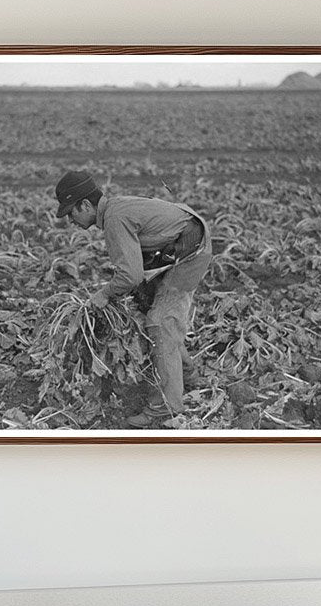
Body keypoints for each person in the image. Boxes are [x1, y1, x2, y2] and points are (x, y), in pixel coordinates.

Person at [54, 169, 212, 427]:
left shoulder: (115, 219)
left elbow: (130, 276)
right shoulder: (115, 209)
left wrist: (104, 295)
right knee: (150, 307)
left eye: (71, 212)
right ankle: (187, 373)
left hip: (190, 252)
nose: (70, 219)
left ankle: (166, 407)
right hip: (179, 246)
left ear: (85, 204)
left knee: (160, 322)